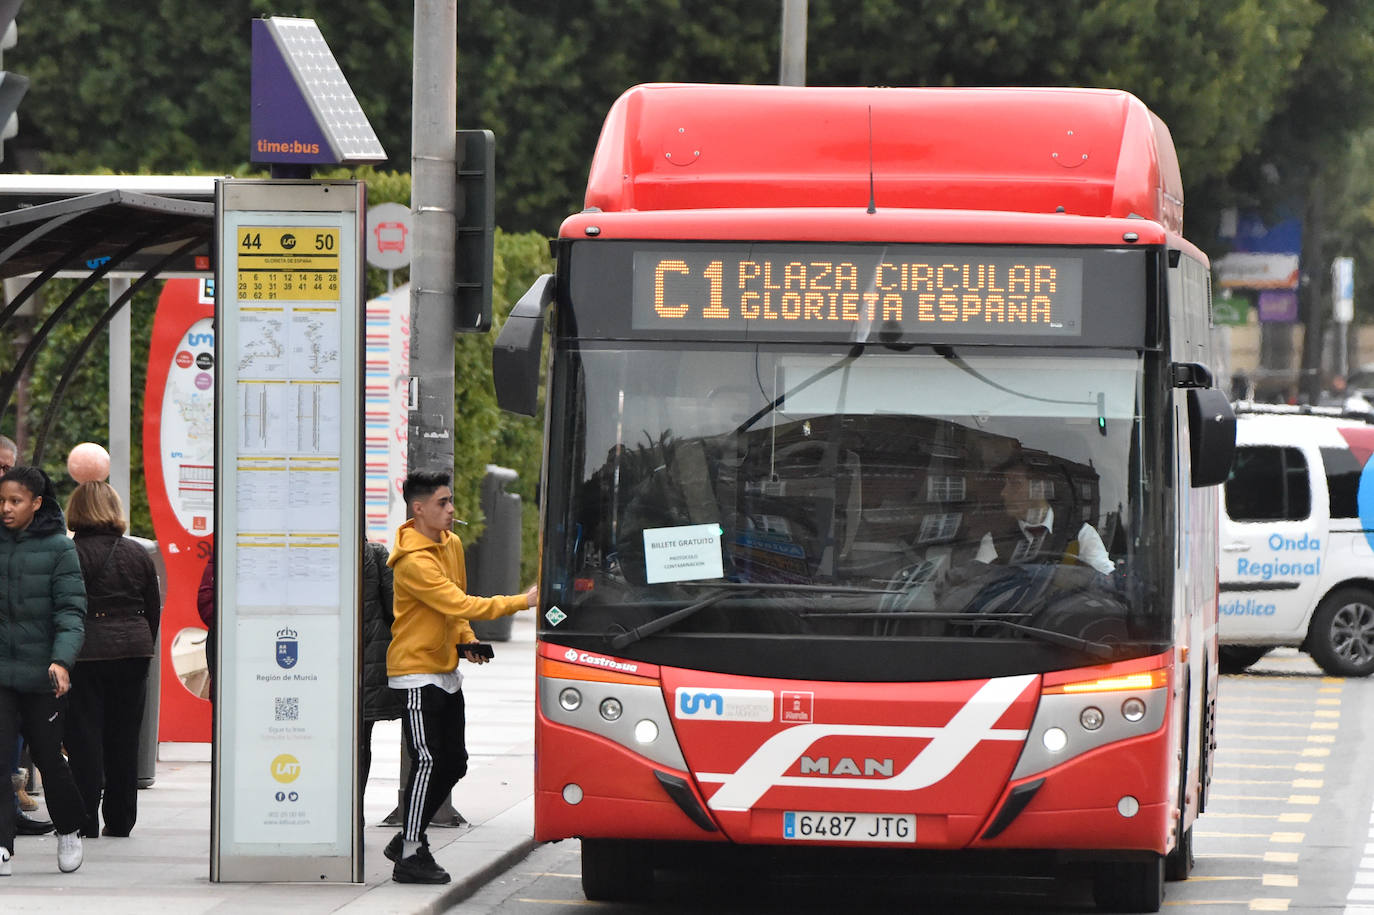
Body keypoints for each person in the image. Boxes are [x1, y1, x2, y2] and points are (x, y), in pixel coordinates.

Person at [384, 469, 537, 884]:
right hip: (415, 673)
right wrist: (522, 601)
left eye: (451, 501)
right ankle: (411, 852)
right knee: (429, 760)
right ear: (419, 509)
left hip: (445, 671)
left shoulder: (450, 544)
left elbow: (455, 610)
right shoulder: (413, 562)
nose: (451, 510)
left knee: (455, 762)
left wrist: (467, 640)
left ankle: (408, 837)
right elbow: (460, 600)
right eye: (442, 503)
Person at [0, 466, 87, 875]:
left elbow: (71, 612)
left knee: (50, 758)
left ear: (36, 503)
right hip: (1, 673)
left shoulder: (59, 547)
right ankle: (3, 846)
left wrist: (61, 660)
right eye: (1, 500)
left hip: (42, 675)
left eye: (15, 501)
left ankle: (69, 828)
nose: (6, 508)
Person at [64, 480, 162, 839]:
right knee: (124, 737)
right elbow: (153, 608)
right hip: (134, 652)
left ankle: (85, 818)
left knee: (84, 736)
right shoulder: (138, 553)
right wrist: (141, 643)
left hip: (87, 652)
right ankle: (121, 820)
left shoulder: (69, 553)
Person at [973, 459, 1114, 575]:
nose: (1004, 492)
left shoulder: (1080, 533)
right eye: (1005, 484)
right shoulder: (995, 538)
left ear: (1038, 488)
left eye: (1014, 484)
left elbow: (1106, 578)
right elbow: (976, 583)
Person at [360, 538, 402, 807]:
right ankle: (354, 814)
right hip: (367, 667)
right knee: (361, 743)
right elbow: (396, 610)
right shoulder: (374, 554)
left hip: (324, 669)